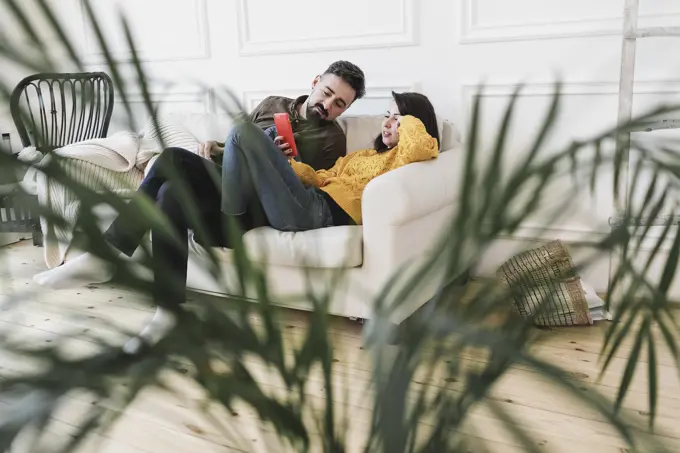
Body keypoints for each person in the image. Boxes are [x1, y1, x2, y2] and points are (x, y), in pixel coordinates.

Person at [32, 61, 366, 354]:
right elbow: (232, 151)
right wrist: (215, 148)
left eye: (339, 104)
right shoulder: (271, 104)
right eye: (326, 93)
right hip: (228, 182)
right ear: (316, 81)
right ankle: (168, 312)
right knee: (170, 175)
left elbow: (305, 189)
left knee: (179, 175)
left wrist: (279, 160)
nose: (328, 105)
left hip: (257, 204)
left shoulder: (331, 139)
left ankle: (108, 255)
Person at [220, 91, 439, 233]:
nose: (388, 123)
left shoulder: (404, 159)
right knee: (273, 132)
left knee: (242, 132)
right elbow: (320, 179)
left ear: (413, 123)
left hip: (317, 215)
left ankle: (232, 223)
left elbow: (421, 146)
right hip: (310, 199)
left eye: (398, 119)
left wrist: (408, 120)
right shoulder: (362, 156)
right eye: (387, 115)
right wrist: (287, 163)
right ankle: (246, 205)